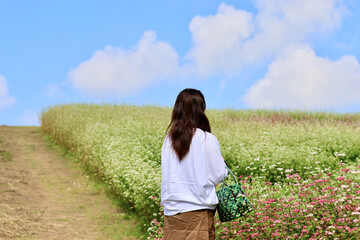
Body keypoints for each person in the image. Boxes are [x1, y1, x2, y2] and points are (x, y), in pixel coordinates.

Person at [161, 88, 228, 240]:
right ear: (201, 110)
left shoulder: (168, 140)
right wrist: (222, 164)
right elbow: (218, 176)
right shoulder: (206, 138)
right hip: (198, 213)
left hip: (172, 213)